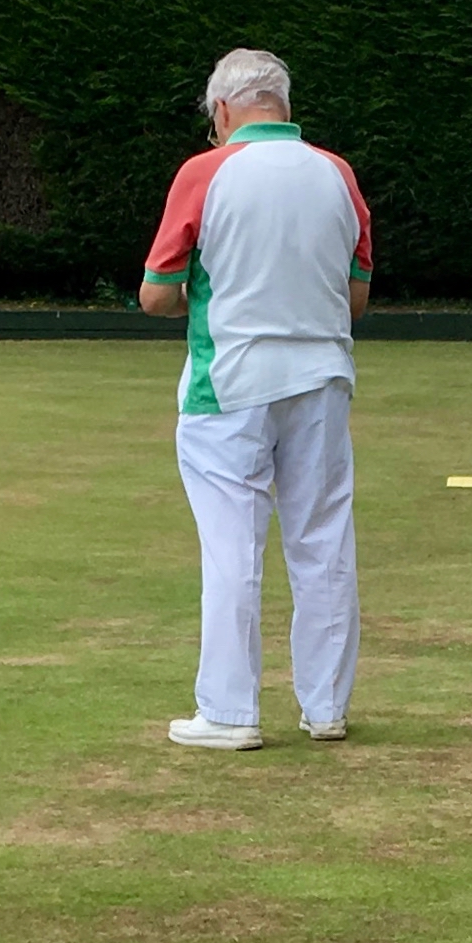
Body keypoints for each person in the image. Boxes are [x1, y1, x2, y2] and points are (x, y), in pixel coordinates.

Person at [140, 49, 371, 752]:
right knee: (323, 537)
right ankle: (325, 706)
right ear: (283, 103)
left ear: (221, 111)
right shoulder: (336, 173)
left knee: (232, 543)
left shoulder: (204, 172)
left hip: (230, 383)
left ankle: (229, 711)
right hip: (322, 376)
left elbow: (155, 293)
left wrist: (200, 291)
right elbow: (356, 297)